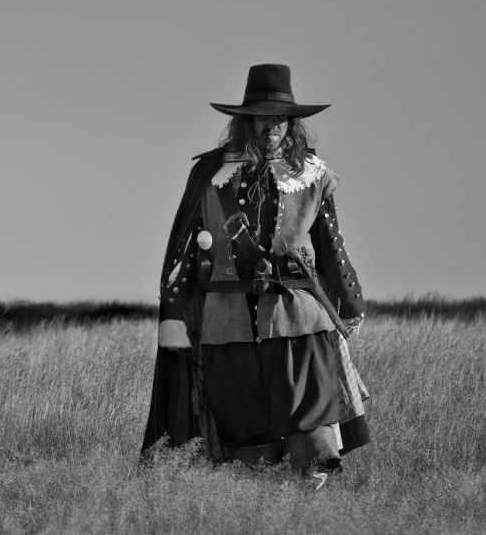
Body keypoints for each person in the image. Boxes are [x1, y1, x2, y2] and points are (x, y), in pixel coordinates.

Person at [140, 63, 370, 480]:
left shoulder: (313, 175)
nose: (272, 125)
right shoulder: (209, 175)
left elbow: (331, 244)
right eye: (262, 116)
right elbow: (184, 250)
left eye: (280, 117)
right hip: (227, 322)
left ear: (292, 123)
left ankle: (313, 510)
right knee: (244, 431)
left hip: (299, 319)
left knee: (311, 423)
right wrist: (174, 314)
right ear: (245, 120)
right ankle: (260, 508)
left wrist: (351, 301)